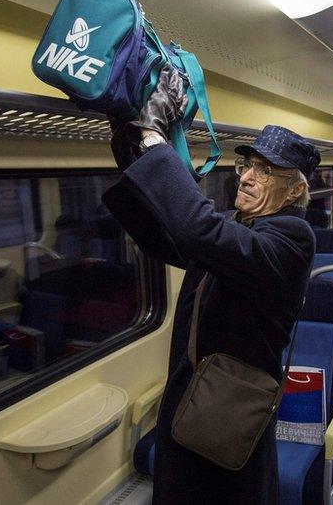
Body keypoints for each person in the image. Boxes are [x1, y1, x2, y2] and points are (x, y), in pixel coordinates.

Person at [102, 68, 320, 504]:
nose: (246, 177)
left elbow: (199, 232)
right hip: (193, 399)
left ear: (295, 190)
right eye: (247, 165)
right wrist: (131, 150)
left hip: (226, 410)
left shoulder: (291, 239)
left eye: (265, 171)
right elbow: (168, 238)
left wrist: (154, 139)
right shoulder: (241, 227)